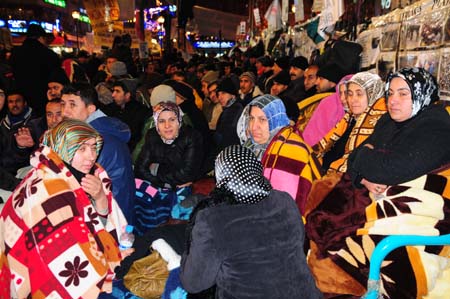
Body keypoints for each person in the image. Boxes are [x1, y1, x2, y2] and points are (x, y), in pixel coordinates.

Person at [305, 68, 450, 298]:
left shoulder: (435, 125)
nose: (393, 101)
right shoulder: (389, 121)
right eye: (390, 93)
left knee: (340, 240)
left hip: (419, 209)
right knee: (320, 206)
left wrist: (366, 160)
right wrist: (363, 173)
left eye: (403, 93)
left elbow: (390, 169)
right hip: (377, 192)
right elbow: (354, 157)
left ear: (422, 93)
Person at [0, 119, 127, 299]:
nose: (91, 156)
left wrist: (100, 198)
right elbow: (62, 262)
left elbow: (100, 226)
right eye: (81, 148)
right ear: (61, 147)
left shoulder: (90, 176)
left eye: (93, 147)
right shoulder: (49, 189)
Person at [180, 145, 322, 299]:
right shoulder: (284, 200)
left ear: (221, 177)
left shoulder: (212, 220)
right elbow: (299, 243)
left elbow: (193, 283)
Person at [61, 83, 135, 224]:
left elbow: (76, 185)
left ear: (90, 109)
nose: (65, 112)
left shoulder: (95, 142)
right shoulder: (98, 132)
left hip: (113, 220)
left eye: (72, 105)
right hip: (114, 212)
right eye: (63, 104)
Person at [237, 94, 321, 215]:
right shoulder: (251, 145)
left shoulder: (290, 150)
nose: (254, 126)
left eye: (262, 119)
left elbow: (284, 209)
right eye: (251, 118)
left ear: (276, 119)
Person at [134, 102, 204, 234]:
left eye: (172, 120)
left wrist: (156, 169)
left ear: (179, 121)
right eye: (161, 121)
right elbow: (140, 169)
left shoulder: (192, 136)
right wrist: (163, 182)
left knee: (174, 215)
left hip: (182, 189)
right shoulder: (152, 135)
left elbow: (187, 174)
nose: (167, 126)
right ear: (156, 124)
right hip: (161, 185)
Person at [314, 72, 386, 173]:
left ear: (373, 94)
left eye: (359, 94)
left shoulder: (379, 125)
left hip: (346, 183)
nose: (353, 100)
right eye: (350, 94)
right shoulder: (348, 119)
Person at [9, 24, 60, 116]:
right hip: (42, 99)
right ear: (40, 38)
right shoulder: (48, 54)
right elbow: (56, 77)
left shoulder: (15, 54)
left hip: (22, 99)